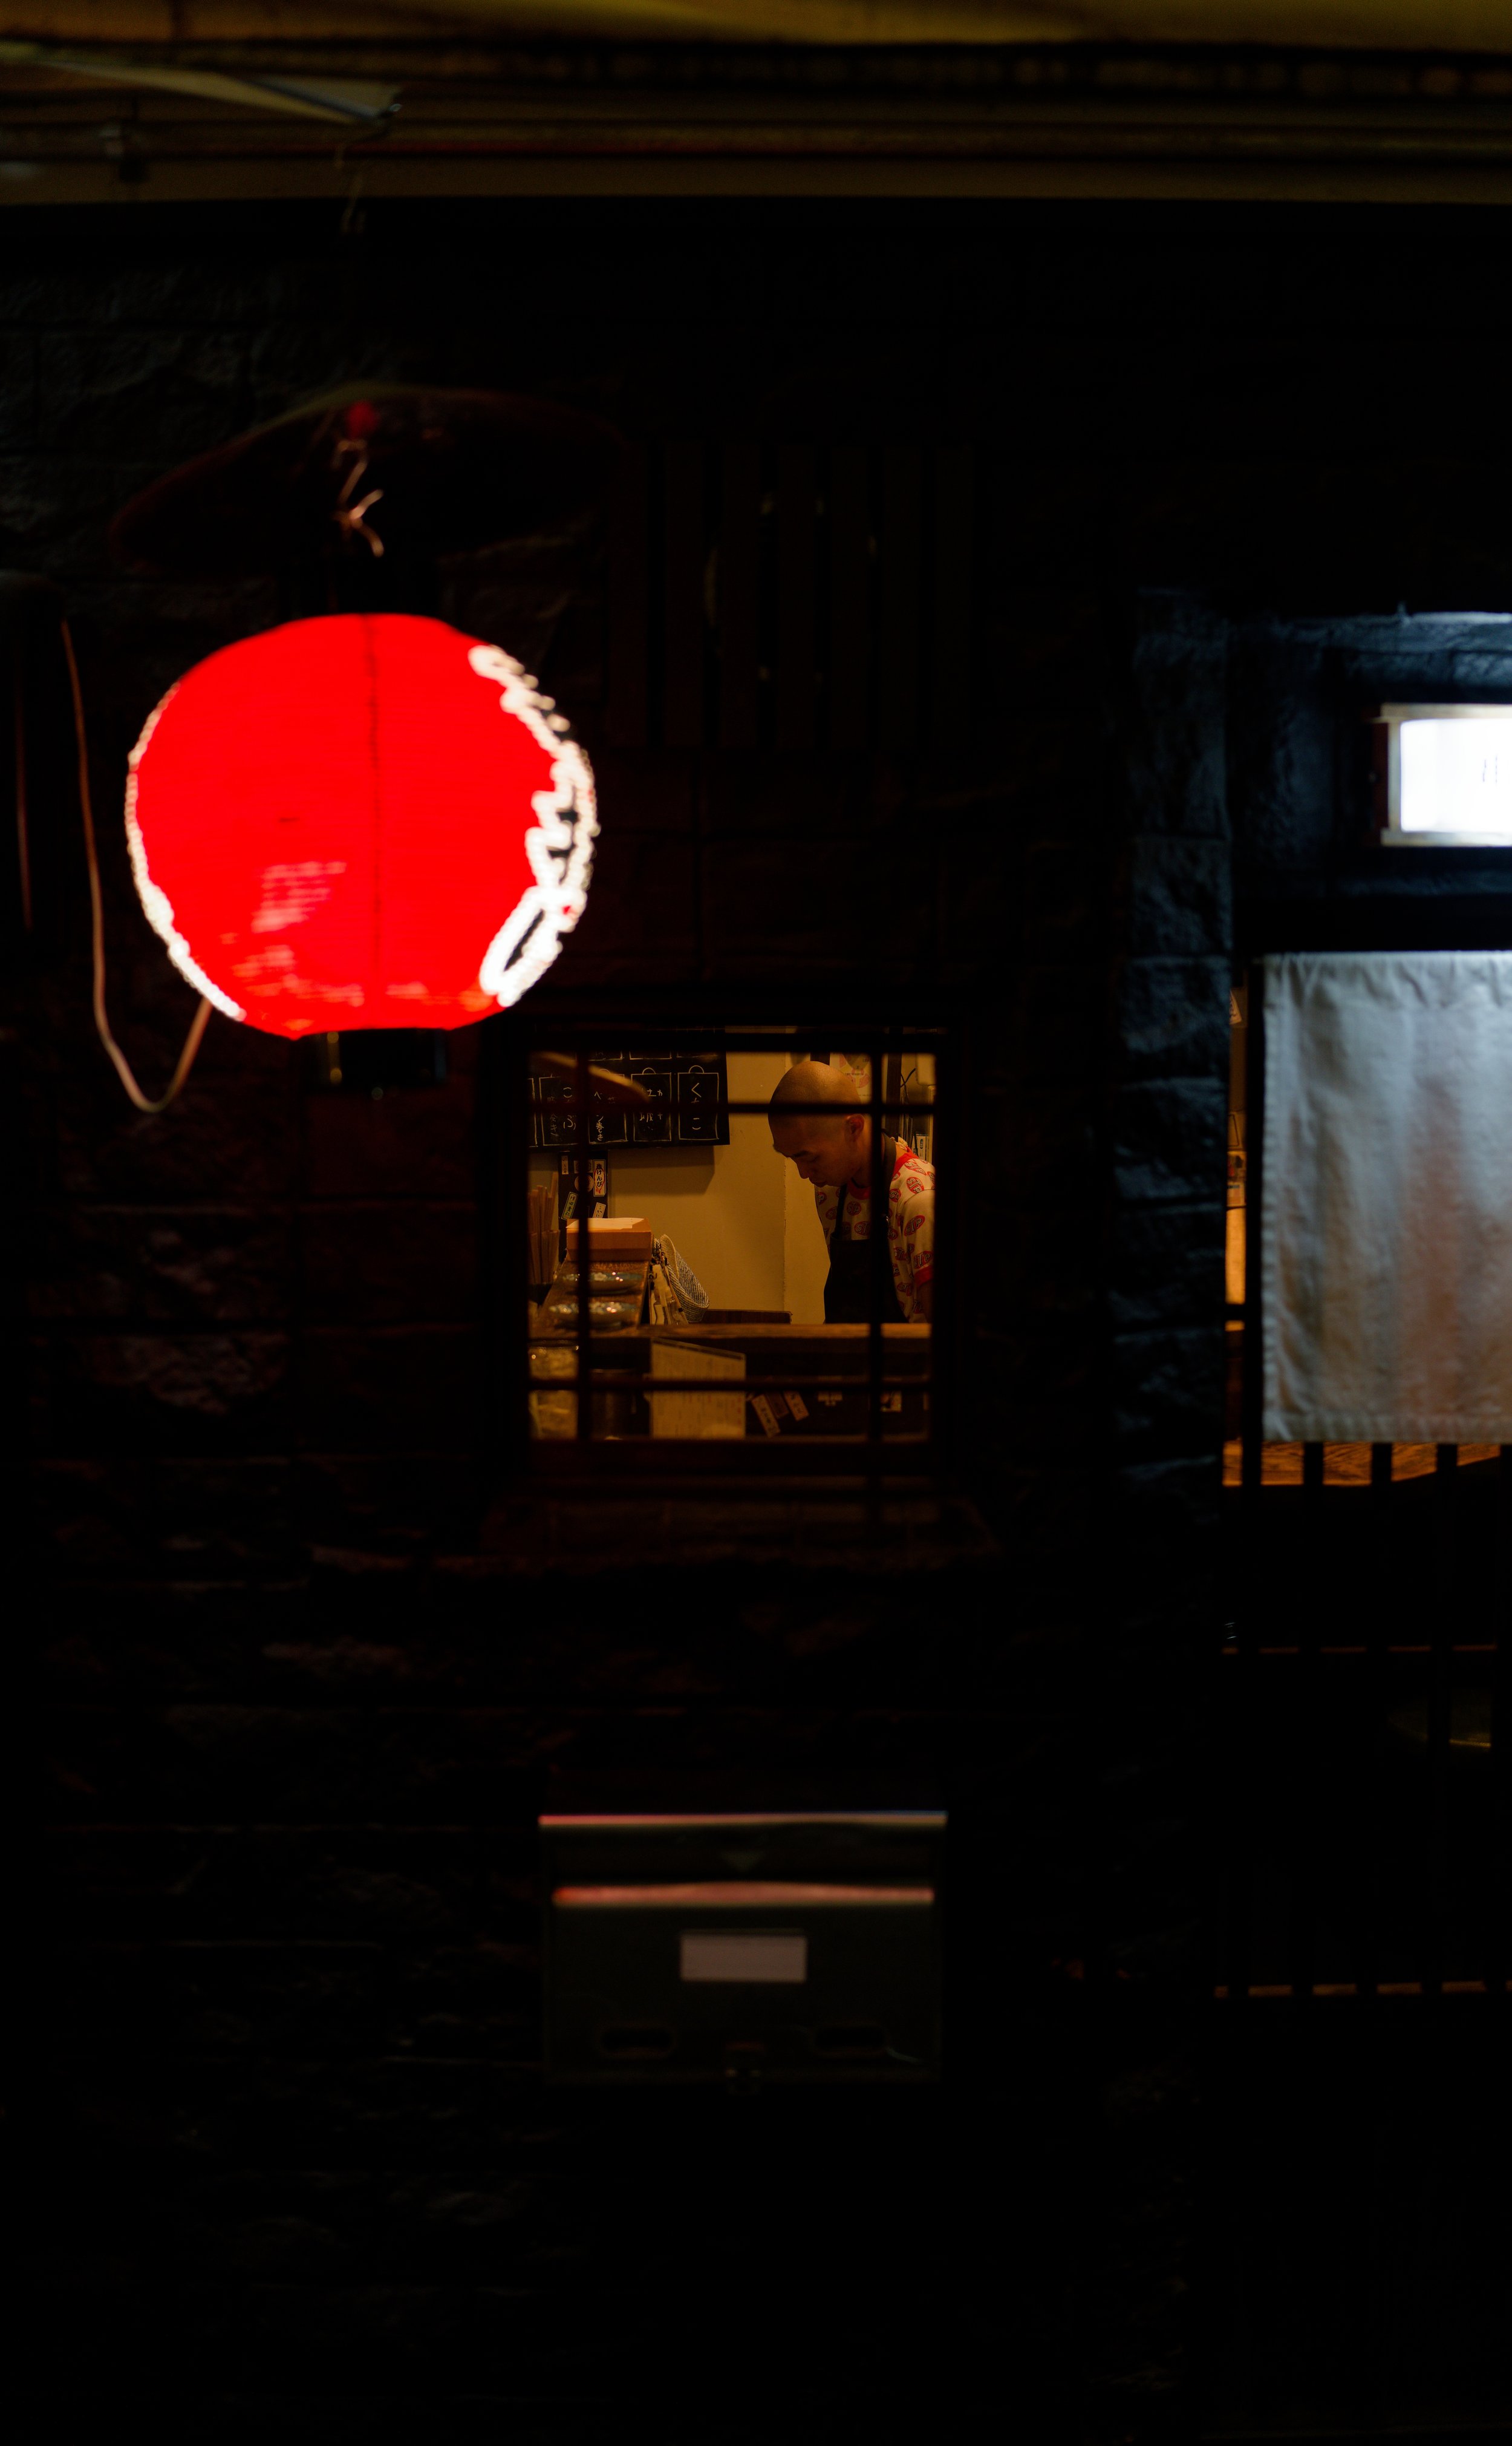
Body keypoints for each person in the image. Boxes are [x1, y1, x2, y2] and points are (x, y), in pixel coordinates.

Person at [769, 1059, 935, 1323]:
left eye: (810, 1158)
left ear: (854, 1127)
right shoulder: (831, 1193)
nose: (803, 1173)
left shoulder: (918, 1201)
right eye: (793, 1159)